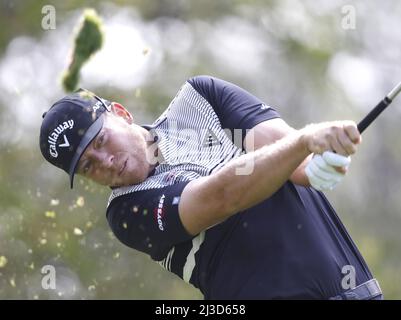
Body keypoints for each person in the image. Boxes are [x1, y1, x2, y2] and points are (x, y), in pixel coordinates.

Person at [39, 75, 383, 300]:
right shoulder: (127, 213)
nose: (106, 162)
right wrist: (305, 142)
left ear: (120, 112)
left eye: (101, 140)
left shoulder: (200, 98)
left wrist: (320, 155)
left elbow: (295, 161)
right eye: (89, 166)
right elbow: (224, 196)